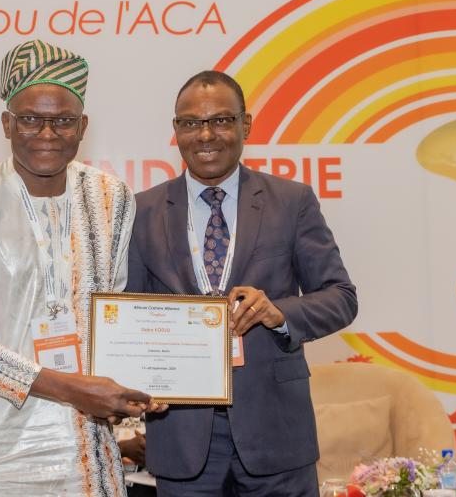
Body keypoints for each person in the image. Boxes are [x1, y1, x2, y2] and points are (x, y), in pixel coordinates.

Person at [0, 39, 165, 497]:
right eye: (30, 119)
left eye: (63, 120)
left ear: (83, 126)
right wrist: (70, 388)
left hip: (84, 437)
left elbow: (113, 309)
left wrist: (148, 375)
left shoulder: (110, 196)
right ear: (7, 123)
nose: (47, 133)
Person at [126, 70, 357, 496]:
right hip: (182, 435)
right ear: (176, 130)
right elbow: (130, 314)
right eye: (191, 123)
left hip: (276, 432)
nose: (205, 135)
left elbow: (341, 297)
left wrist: (279, 312)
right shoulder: (142, 211)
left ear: (245, 125)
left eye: (220, 120)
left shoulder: (292, 202)